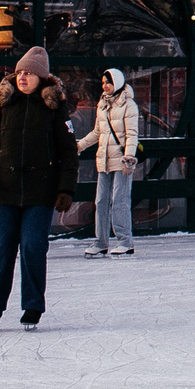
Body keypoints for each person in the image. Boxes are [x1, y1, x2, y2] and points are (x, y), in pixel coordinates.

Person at [0, 47, 78, 330]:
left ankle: (32, 306)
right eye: (20, 73)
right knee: (0, 248)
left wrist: (66, 188)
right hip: (5, 189)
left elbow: (68, 152)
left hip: (39, 192)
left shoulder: (54, 109)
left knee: (32, 247)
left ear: (41, 77)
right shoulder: (4, 104)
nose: (23, 78)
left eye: (29, 73)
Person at [84, 68, 140, 257]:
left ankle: (125, 241)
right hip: (104, 159)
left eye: (108, 82)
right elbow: (97, 133)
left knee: (120, 201)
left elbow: (132, 134)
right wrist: (79, 145)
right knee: (101, 201)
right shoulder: (102, 104)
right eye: (102, 83)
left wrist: (129, 158)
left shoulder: (128, 105)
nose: (105, 86)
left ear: (116, 82)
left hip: (122, 159)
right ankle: (101, 242)